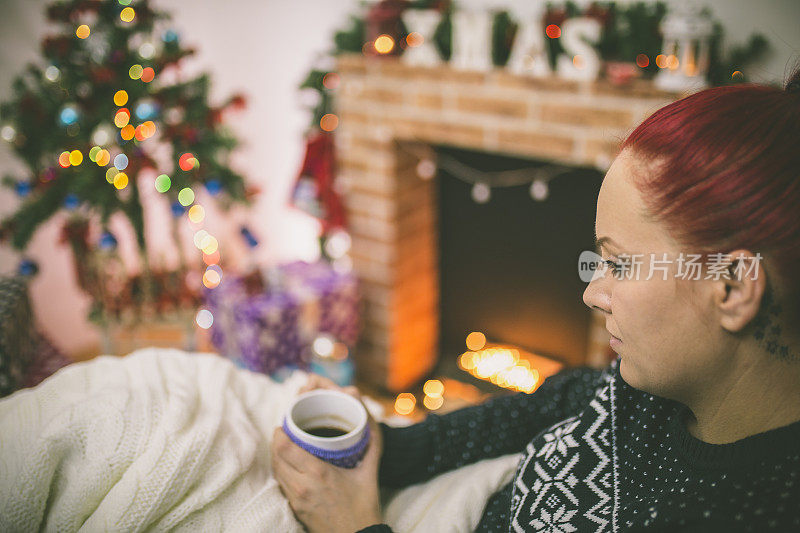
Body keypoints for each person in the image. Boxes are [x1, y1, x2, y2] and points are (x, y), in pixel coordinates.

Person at [271, 68, 800, 532]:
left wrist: (352, 525)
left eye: (619, 263)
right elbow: (551, 404)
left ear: (730, 287)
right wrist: (375, 445)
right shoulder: (653, 386)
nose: (593, 293)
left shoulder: (742, 513)